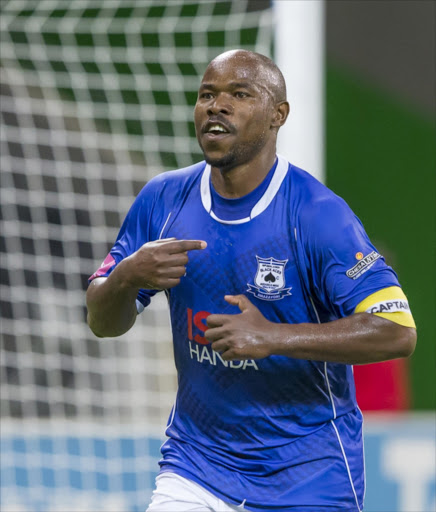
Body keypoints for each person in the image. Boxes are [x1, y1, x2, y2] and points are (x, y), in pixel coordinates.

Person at [86, 50, 416, 512]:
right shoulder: (163, 200)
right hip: (197, 466)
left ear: (278, 115)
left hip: (309, 477)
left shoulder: (317, 216)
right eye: (207, 95)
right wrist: (124, 277)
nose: (216, 106)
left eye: (239, 94)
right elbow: (102, 321)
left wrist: (272, 336)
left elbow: (398, 332)